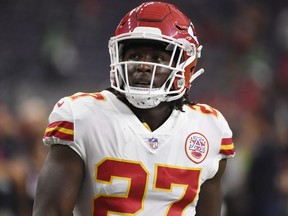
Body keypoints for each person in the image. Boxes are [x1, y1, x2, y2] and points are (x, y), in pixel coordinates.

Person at [32, 2, 235, 216]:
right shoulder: (83, 116)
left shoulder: (210, 128)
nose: (143, 65)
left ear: (185, 66)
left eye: (157, 58)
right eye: (135, 56)